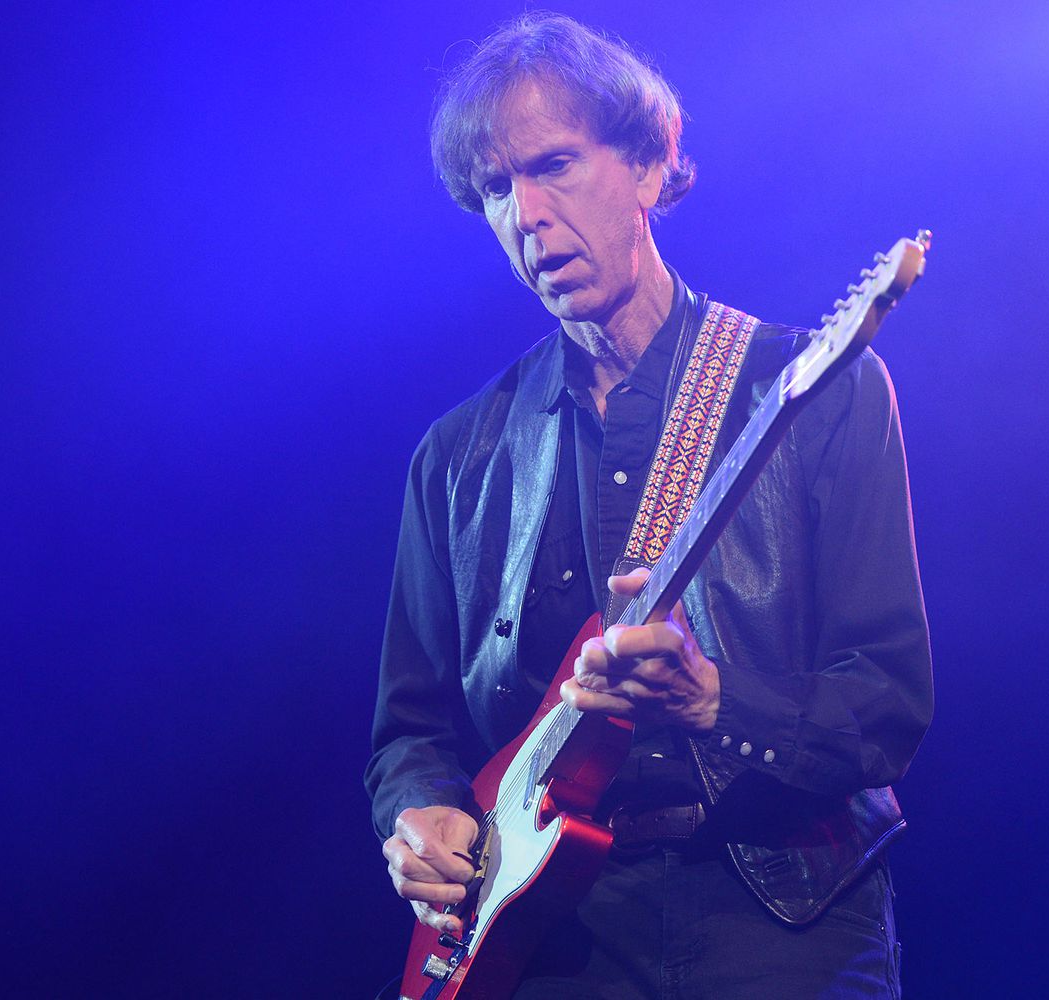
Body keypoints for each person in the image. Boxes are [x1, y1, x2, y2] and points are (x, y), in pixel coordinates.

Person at [364, 12, 933, 999]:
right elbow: (408, 729)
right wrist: (418, 811)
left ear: (649, 162)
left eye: (553, 165)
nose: (527, 214)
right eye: (496, 189)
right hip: (551, 928)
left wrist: (715, 702)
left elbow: (889, 702)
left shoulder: (818, 388)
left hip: (779, 912)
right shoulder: (457, 457)